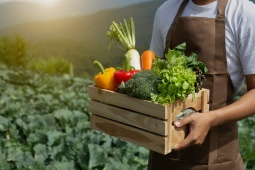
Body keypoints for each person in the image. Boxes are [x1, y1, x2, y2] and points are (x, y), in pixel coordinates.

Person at [148, 0, 255, 169]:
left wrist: (210, 118)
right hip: (164, 156)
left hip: (217, 158)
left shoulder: (244, 12)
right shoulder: (166, 11)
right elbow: (153, 77)